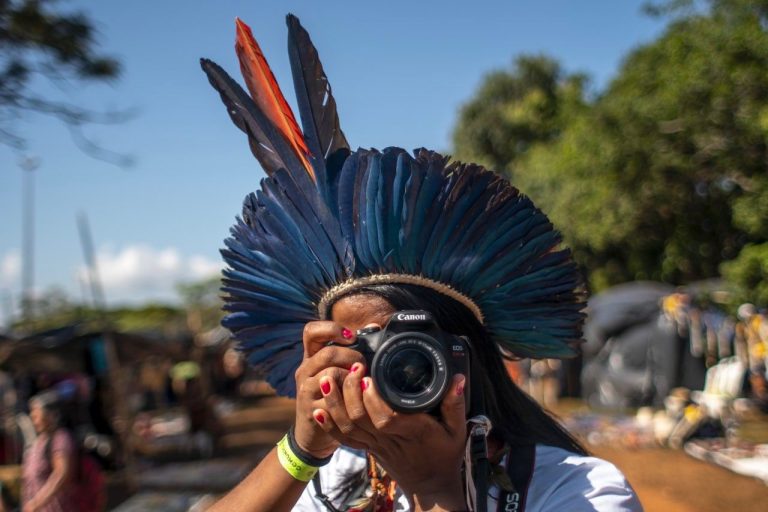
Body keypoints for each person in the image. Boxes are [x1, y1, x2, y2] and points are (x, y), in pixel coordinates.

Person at [201, 14, 643, 512]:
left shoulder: (577, 489)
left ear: (463, 354)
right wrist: (302, 450)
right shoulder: (336, 478)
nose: (394, 371)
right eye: (360, 352)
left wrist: (434, 487)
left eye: (408, 347)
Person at [20, 392, 76, 512]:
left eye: (36, 414)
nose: (33, 418)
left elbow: (61, 474)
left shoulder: (60, 439)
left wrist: (37, 503)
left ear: (52, 415)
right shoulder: (37, 443)